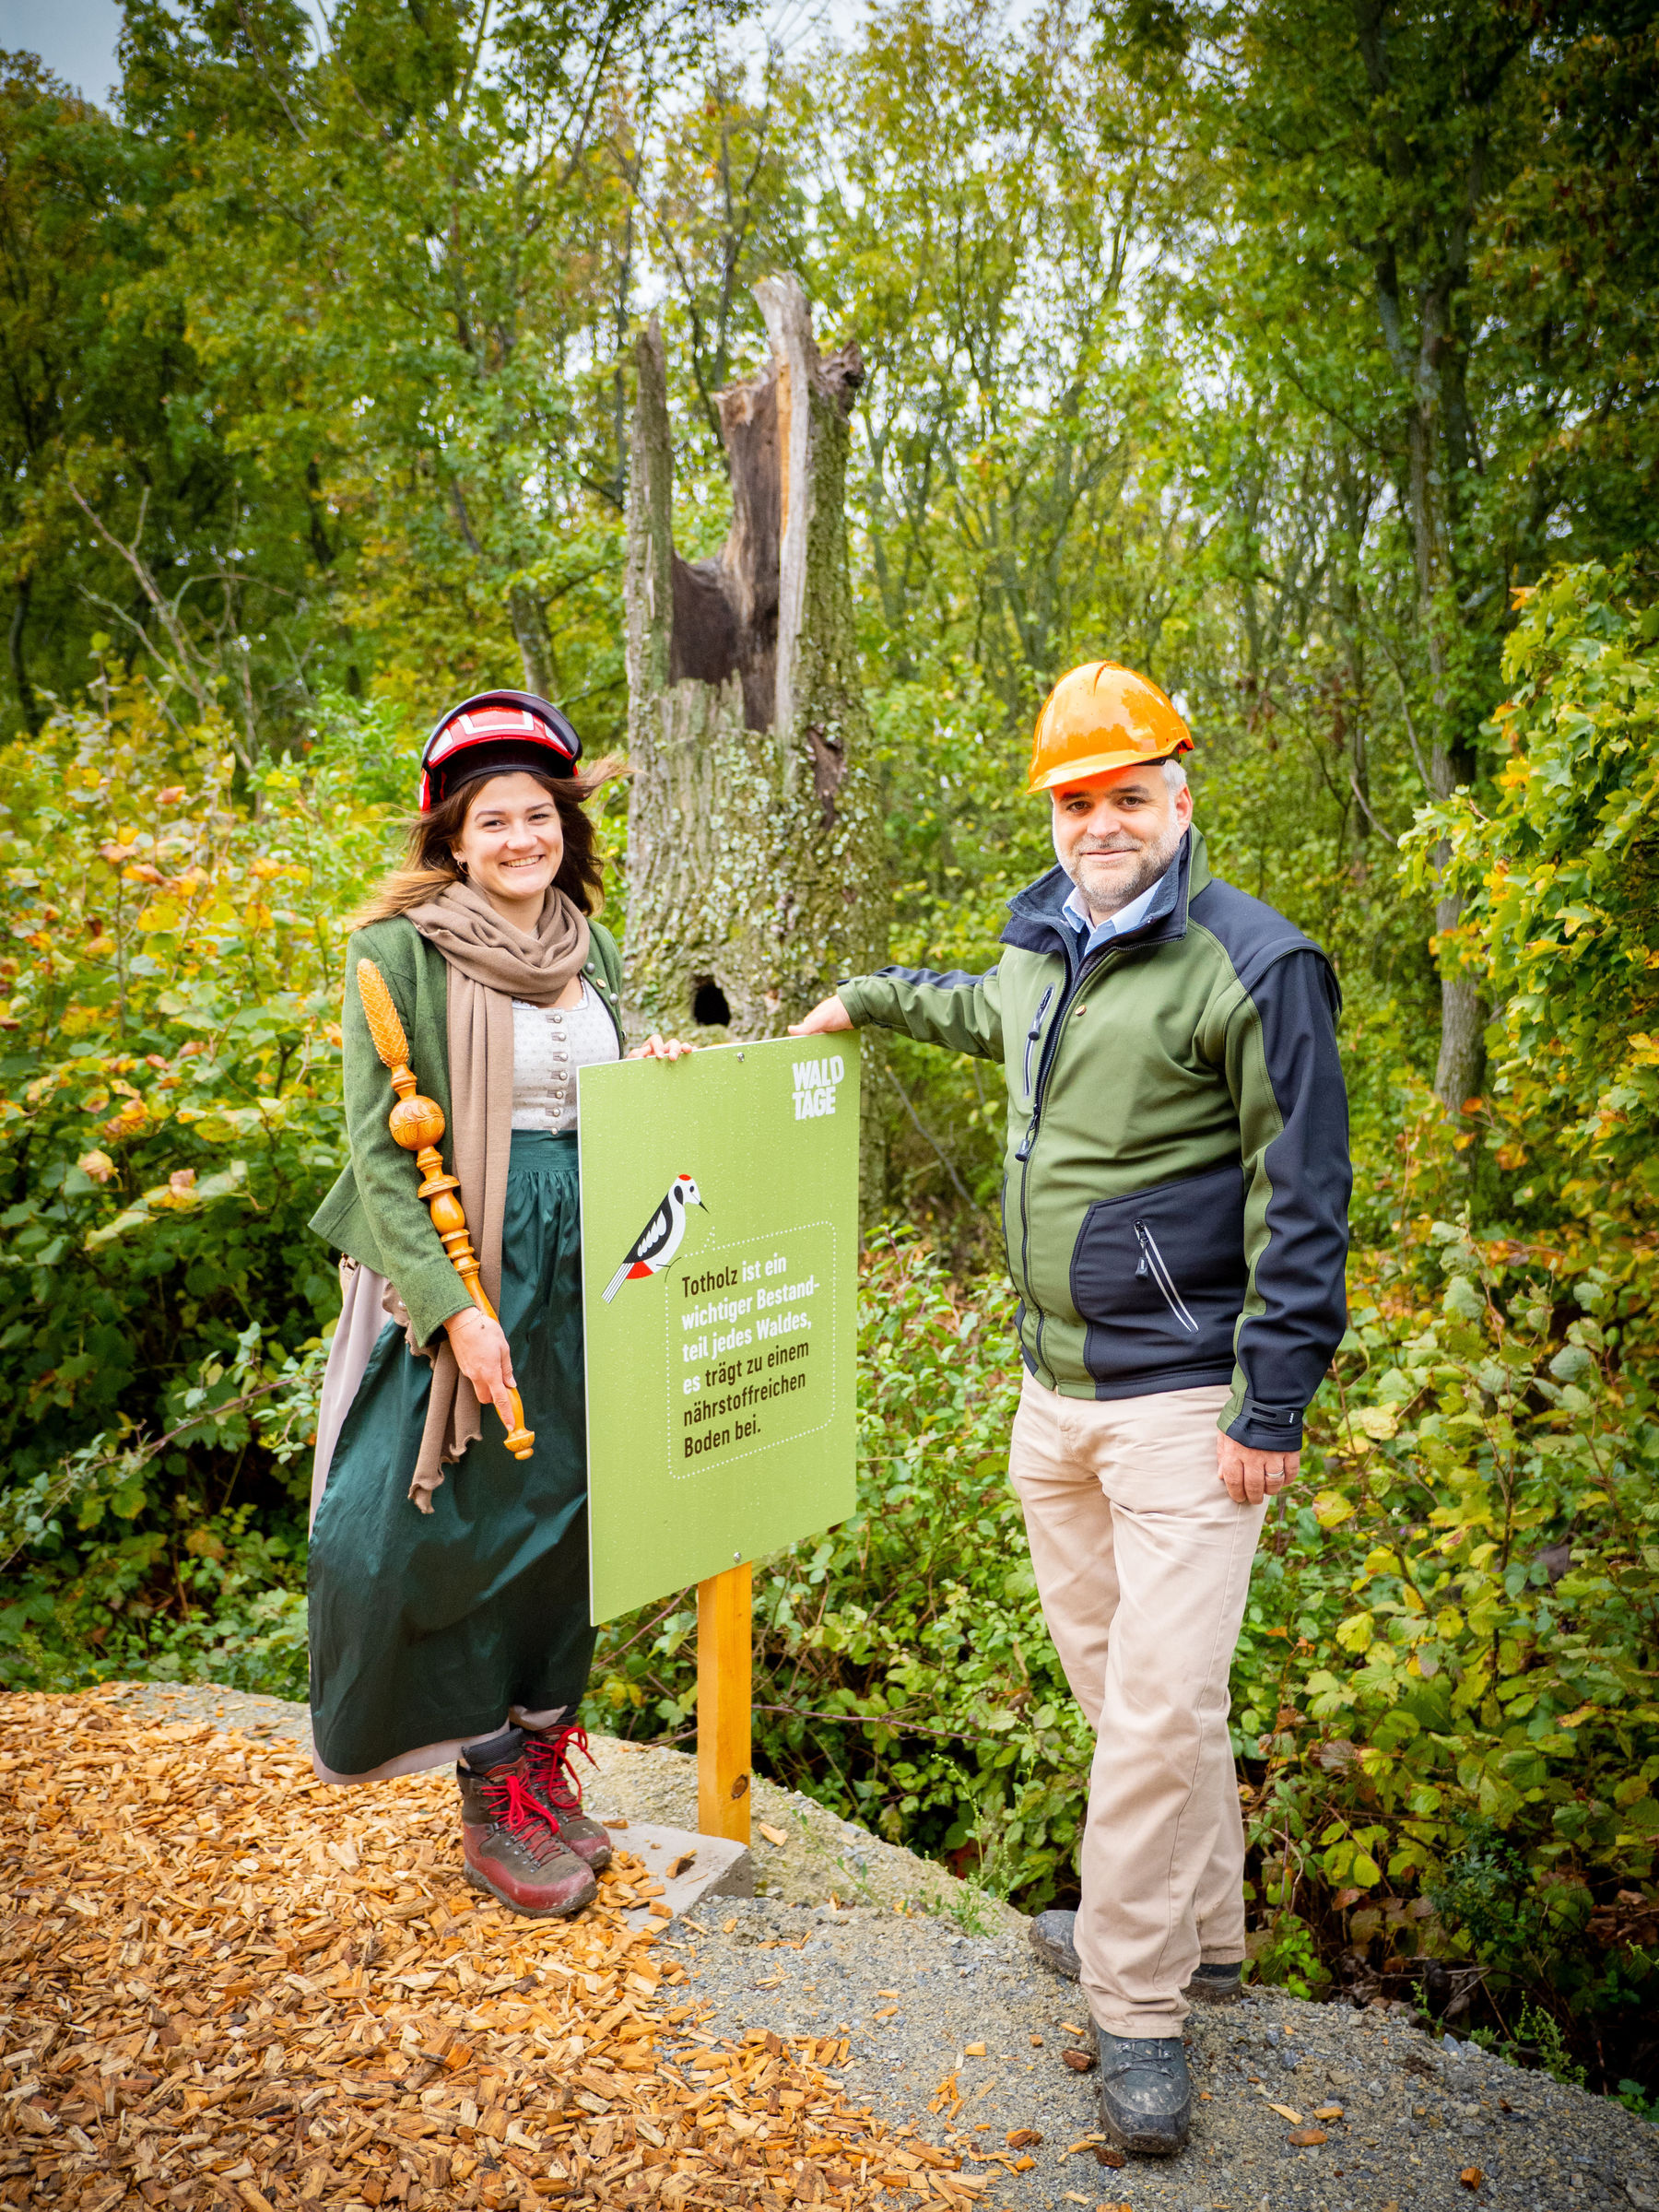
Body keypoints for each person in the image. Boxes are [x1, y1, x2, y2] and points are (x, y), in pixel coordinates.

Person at [790, 662, 1350, 2154]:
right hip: (1054, 1401)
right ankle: (1205, 1938)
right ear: (1056, 811)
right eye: (1077, 801)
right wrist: (862, 1000)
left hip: (1185, 1412)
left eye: (1127, 796)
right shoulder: (1049, 941)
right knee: (1136, 1703)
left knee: (1160, 1710)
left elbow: (1307, 1202)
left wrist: (1270, 1407)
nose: (1102, 823)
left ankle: (1140, 2009)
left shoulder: (1256, 965)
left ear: (1180, 794)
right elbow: (985, 1010)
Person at [307, 690, 683, 1920]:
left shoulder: (590, 945)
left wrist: (656, 1077)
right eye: (495, 821)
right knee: (444, 1521)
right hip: (473, 1258)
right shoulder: (398, 955)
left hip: (593, 1266)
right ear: (454, 841)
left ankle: (535, 1758)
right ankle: (481, 1782)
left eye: (540, 816)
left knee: (570, 1508)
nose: (522, 837)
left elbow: (595, 1097)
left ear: (565, 831)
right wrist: (452, 1311)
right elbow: (378, 1153)